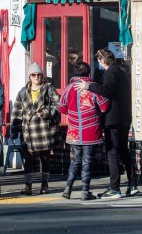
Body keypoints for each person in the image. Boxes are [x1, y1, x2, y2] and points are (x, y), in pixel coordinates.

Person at [74, 48, 137, 199]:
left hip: (113, 118)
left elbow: (107, 90)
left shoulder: (111, 72)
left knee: (112, 152)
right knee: (123, 150)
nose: (99, 64)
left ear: (102, 60)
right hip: (124, 117)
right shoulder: (122, 71)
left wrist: (88, 86)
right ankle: (133, 184)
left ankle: (115, 188)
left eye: (99, 61)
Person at [59, 62, 110, 200]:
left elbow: (62, 108)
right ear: (88, 73)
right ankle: (85, 191)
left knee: (75, 160)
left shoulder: (68, 89)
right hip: (91, 130)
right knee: (87, 161)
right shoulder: (93, 89)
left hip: (74, 130)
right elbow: (104, 106)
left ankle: (67, 189)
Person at [11, 62, 60, 195]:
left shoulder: (48, 89)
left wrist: (47, 112)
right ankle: (28, 186)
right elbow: (16, 111)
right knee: (29, 159)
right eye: (34, 75)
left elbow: (58, 104)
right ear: (29, 77)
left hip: (44, 129)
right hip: (28, 130)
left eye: (39, 74)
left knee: (45, 158)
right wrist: (14, 129)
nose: (37, 77)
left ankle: (45, 184)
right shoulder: (23, 92)